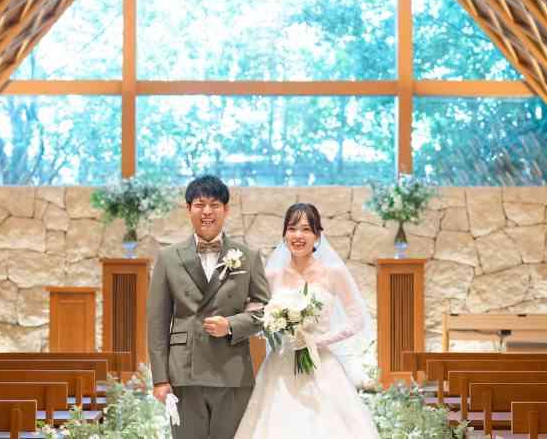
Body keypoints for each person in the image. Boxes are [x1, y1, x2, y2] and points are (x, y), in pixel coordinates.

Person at [234, 203, 380, 439]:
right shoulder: (272, 275)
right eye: (292, 229)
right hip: (280, 366)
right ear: (284, 235)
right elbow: (255, 314)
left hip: (321, 364)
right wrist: (270, 321)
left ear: (317, 236)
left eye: (306, 229)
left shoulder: (333, 272)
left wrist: (319, 341)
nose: (298, 236)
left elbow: (357, 319)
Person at [147, 175, 270, 439]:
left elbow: (266, 312)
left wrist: (231, 325)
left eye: (214, 205)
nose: (207, 212)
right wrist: (160, 378)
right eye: (199, 204)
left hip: (232, 370)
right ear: (188, 208)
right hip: (183, 371)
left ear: (226, 210)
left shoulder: (248, 256)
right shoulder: (168, 258)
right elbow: (157, 322)